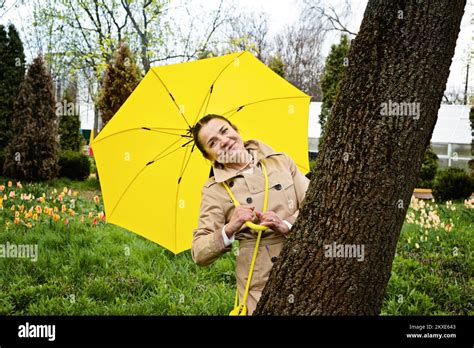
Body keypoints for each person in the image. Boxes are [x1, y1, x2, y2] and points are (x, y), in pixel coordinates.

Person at [191, 114, 310, 315]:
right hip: (258, 281)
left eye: (224, 131)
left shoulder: (280, 161)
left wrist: (287, 225)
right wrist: (230, 228)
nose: (225, 142)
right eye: (213, 143)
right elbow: (199, 254)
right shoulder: (214, 190)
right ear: (209, 157)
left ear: (235, 130)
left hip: (304, 260)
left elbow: (315, 206)